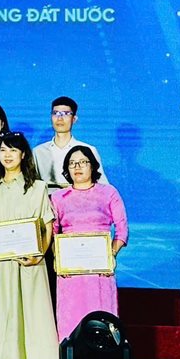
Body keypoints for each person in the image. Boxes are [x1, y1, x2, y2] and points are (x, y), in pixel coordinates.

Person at [0, 132, 58, 359]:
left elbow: (47, 227)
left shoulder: (37, 187)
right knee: (3, 318)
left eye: (13, 150)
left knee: (31, 318)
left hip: (30, 265)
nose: (7, 155)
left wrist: (40, 254)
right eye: (3, 150)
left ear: (23, 155)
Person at [51, 146, 128, 343]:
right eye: (72, 163)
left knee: (101, 322)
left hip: (99, 272)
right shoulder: (58, 197)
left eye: (83, 162)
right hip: (70, 273)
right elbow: (52, 232)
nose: (77, 167)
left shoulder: (109, 193)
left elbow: (122, 230)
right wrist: (58, 260)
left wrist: (111, 255)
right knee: (71, 325)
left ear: (93, 166)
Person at [33, 97, 109, 190]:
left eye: (65, 114)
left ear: (74, 119)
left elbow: (102, 186)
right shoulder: (38, 152)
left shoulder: (88, 150)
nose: (59, 118)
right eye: (55, 113)